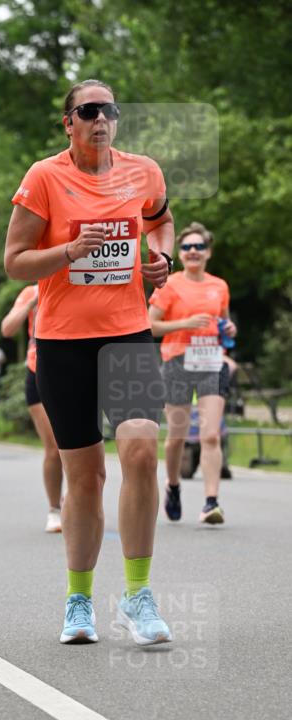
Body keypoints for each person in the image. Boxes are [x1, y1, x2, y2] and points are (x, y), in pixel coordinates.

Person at [4, 78, 175, 647]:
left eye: (110, 110)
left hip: (127, 336)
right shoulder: (44, 176)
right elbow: (16, 263)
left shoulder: (142, 172)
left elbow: (160, 221)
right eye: (89, 110)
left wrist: (162, 259)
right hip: (63, 343)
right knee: (86, 476)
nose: (102, 118)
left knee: (142, 451)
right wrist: (69, 252)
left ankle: (138, 594)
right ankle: (79, 602)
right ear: (69, 123)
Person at [148, 222, 236, 524]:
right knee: (177, 437)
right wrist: (184, 325)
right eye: (186, 247)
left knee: (210, 435)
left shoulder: (219, 286)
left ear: (208, 252)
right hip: (177, 362)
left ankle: (211, 502)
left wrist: (229, 329)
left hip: (211, 362)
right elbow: (151, 325)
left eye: (199, 246)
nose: (193, 251)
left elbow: (223, 325)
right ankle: (173, 486)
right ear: (181, 254)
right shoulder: (170, 285)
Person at [1, 284, 63, 533]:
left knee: (83, 446)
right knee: (55, 447)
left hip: (74, 371)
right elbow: (7, 329)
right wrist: (32, 303)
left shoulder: (79, 280)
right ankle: (54, 509)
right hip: (38, 371)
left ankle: (79, 501)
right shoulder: (30, 291)